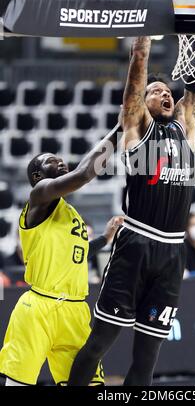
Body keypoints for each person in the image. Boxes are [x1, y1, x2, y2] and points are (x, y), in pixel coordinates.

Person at [68, 0, 195, 387]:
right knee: (101, 342)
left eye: (168, 91)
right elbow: (140, 56)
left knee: (148, 357)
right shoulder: (135, 127)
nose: (164, 93)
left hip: (172, 252)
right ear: (140, 103)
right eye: (156, 91)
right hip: (137, 243)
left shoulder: (186, 125)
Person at [0, 122, 123, 386]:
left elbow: (77, 253)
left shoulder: (70, 214)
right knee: (19, 383)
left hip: (75, 310)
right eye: (52, 162)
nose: (61, 163)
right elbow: (84, 174)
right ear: (37, 175)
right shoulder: (39, 196)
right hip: (39, 307)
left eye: (61, 161)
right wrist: (120, 128)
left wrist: (106, 237)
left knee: (89, 384)